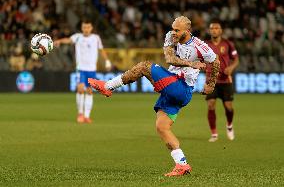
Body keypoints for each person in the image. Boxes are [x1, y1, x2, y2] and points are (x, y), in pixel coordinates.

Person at [88, 16, 220, 176]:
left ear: (187, 30)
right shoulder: (170, 36)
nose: (174, 32)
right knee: (162, 127)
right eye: (173, 29)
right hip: (173, 86)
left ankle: (107, 86)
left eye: (177, 30)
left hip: (182, 88)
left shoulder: (200, 47)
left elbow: (215, 62)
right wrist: (191, 64)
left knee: (144, 66)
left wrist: (210, 84)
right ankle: (182, 164)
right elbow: (170, 58)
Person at [54, 18, 112, 124]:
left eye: (88, 27)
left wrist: (107, 61)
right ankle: (80, 113)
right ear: (82, 28)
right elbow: (68, 40)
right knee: (80, 89)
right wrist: (59, 41)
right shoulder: (78, 37)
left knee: (89, 91)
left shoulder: (96, 38)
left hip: (92, 69)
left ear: (91, 28)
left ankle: (87, 116)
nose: (86, 29)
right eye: (84, 27)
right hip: (81, 68)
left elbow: (101, 50)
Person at [205, 20, 239, 142]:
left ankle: (229, 125)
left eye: (216, 28)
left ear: (221, 30)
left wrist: (231, 67)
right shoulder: (205, 45)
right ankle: (214, 133)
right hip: (211, 80)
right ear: (210, 31)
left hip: (226, 80)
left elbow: (236, 59)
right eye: (212, 28)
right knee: (211, 104)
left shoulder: (228, 44)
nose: (214, 30)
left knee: (228, 107)